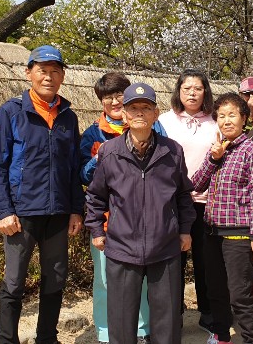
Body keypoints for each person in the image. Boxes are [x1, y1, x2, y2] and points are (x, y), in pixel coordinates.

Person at [0, 45, 84, 344]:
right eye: (42, 71)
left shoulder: (68, 117)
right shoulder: (11, 112)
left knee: (55, 279)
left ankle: (47, 339)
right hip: (21, 214)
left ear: (62, 76)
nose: (48, 77)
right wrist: (3, 211)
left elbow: (73, 168)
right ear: (29, 73)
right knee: (14, 282)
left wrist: (76, 209)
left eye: (55, 71)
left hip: (58, 213)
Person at [86, 82, 196, 344]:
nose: (139, 113)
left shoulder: (172, 151)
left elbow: (183, 194)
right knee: (122, 320)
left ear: (155, 114)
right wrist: (96, 230)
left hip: (165, 246)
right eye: (133, 108)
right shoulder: (109, 152)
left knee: (167, 320)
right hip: (122, 247)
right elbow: (96, 196)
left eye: (145, 108)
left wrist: (184, 230)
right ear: (124, 114)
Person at [80, 72, 167, 344]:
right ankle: (107, 332)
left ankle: (141, 329)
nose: (116, 101)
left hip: (148, 221)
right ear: (101, 102)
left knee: (143, 280)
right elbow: (83, 176)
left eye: (120, 95)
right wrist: (101, 156)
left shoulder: (154, 127)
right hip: (110, 222)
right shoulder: (93, 134)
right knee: (106, 280)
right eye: (109, 97)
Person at [190, 93, 253, 344]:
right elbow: (196, 185)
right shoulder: (217, 149)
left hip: (238, 234)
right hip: (211, 231)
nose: (226, 120)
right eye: (221, 116)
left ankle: (251, 339)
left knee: (239, 294)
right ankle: (222, 335)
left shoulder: (252, 151)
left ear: (244, 118)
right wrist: (213, 159)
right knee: (215, 289)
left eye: (232, 115)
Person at [157, 69, 219, 331]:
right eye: (187, 88)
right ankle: (175, 314)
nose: (192, 93)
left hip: (207, 201)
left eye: (198, 88)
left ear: (205, 92)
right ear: (178, 91)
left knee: (206, 260)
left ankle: (208, 312)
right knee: (174, 260)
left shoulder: (215, 121)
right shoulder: (164, 121)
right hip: (173, 200)